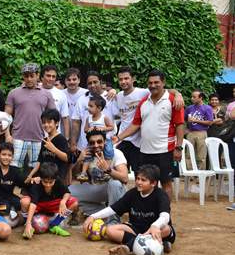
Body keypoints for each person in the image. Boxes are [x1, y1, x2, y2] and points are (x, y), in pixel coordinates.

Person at [116, 70, 184, 199]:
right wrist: (119, 137)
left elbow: (180, 125)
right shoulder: (143, 102)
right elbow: (135, 124)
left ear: (163, 82)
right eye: (150, 83)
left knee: (166, 183)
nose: (153, 85)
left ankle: (165, 214)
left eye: (156, 82)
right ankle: (149, 213)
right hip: (145, 151)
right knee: (147, 183)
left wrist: (178, 148)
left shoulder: (172, 100)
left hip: (165, 150)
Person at [83, 164, 176, 255]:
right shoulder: (132, 193)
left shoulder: (161, 195)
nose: (139, 182)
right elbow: (113, 208)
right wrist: (93, 216)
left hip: (156, 229)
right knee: (110, 230)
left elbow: (165, 216)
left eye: (143, 180)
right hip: (136, 229)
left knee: (166, 229)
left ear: (153, 183)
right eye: (138, 179)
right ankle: (159, 244)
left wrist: (155, 226)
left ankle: (128, 247)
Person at [69, 130, 128, 223]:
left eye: (99, 142)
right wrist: (79, 160)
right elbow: (75, 177)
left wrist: (108, 170)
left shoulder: (116, 153)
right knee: (68, 192)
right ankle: (103, 212)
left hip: (116, 192)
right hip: (96, 189)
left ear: (105, 141)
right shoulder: (87, 155)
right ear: (88, 144)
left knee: (114, 184)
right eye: (92, 143)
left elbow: (125, 178)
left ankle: (113, 220)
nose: (96, 145)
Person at [4, 63, 56, 168]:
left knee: (36, 168)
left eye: (32, 76)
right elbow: (5, 116)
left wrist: (51, 136)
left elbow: (53, 117)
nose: (29, 79)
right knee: (13, 167)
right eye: (26, 76)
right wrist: (7, 135)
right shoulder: (14, 93)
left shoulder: (46, 94)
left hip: (39, 137)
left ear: (38, 75)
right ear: (23, 76)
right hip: (17, 137)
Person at [21, 162, 78, 239]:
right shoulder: (37, 184)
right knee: (24, 201)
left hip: (52, 205)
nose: (48, 185)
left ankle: (54, 225)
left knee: (74, 202)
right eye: (45, 182)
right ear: (40, 178)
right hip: (39, 205)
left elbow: (67, 192)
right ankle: (28, 225)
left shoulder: (58, 180)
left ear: (55, 179)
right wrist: (28, 223)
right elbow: (33, 204)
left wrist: (63, 201)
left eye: (51, 182)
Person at [71, 71, 117, 152]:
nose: (92, 85)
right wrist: (73, 143)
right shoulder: (82, 100)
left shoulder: (110, 97)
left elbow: (120, 117)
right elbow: (76, 122)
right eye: (89, 83)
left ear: (101, 82)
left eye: (95, 82)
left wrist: (114, 91)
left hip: (106, 145)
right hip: (85, 145)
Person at [25, 109, 69, 182]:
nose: (46, 125)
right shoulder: (45, 140)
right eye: (44, 122)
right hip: (44, 176)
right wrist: (30, 175)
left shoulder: (61, 139)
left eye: (49, 122)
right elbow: (39, 161)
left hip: (56, 178)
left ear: (57, 123)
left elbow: (66, 158)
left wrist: (53, 149)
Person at [78, 95, 115, 182]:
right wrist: (89, 129)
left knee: (109, 151)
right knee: (87, 155)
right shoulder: (89, 118)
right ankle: (83, 173)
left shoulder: (104, 117)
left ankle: (106, 171)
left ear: (99, 108)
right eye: (88, 106)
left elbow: (111, 127)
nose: (88, 108)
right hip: (92, 141)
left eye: (91, 106)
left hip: (104, 140)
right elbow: (85, 129)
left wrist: (103, 128)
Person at [0, 142, 26, 219]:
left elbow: (25, 183)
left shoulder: (15, 171)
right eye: (4, 154)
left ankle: (19, 217)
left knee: (20, 203)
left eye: (9, 155)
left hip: (10, 198)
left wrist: (22, 194)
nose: (6, 157)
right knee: (4, 209)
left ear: (12, 157)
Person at [184, 89, 213, 170]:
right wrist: (186, 129)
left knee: (201, 156)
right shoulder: (189, 108)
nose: (192, 98)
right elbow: (185, 119)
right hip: (191, 133)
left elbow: (210, 122)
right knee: (188, 154)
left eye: (194, 97)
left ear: (200, 98)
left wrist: (195, 120)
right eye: (191, 97)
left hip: (202, 133)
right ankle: (189, 174)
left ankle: (201, 175)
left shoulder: (207, 108)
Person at [40, 65, 70, 138]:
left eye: (53, 77)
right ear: (41, 77)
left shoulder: (61, 94)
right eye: (48, 76)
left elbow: (65, 118)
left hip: (54, 136)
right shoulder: (34, 90)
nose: (51, 79)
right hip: (36, 135)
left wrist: (66, 138)